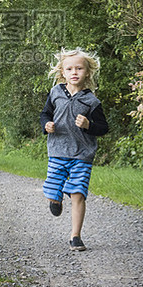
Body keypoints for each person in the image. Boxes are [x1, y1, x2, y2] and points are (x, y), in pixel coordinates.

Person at [40, 48, 109, 252]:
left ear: (87, 72)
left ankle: (75, 236)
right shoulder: (55, 93)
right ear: (63, 72)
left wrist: (89, 125)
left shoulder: (92, 101)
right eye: (69, 68)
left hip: (82, 154)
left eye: (79, 68)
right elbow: (45, 114)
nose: (74, 72)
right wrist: (47, 125)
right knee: (54, 191)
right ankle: (55, 199)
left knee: (78, 193)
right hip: (57, 151)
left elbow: (104, 128)